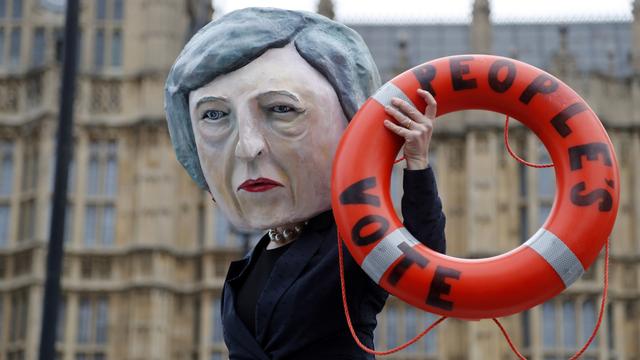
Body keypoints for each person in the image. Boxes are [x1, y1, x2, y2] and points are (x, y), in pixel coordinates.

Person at [165, 7, 446, 359]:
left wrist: (417, 164)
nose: (247, 147)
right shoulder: (252, 262)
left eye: (281, 109)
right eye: (215, 115)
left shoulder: (351, 243)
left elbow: (428, 264)